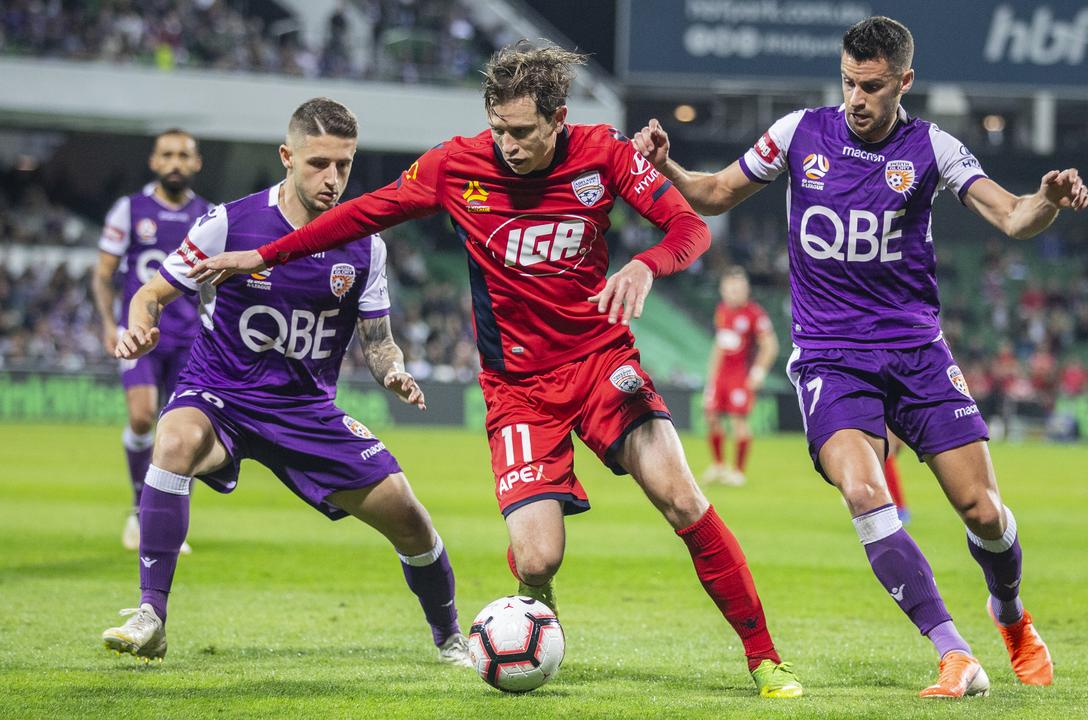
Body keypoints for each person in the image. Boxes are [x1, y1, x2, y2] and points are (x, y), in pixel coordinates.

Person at [187, 42, 803, 699]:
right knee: (537, 558)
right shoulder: (457, 165)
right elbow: (363, 213)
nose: (507, 143)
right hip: (517, 391)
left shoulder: (606, 153)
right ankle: (536, 602)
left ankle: (765, 660)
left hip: (600, 363)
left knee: (681, 496)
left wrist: (643, 264)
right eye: (498, 128)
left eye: (522, 131)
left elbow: (689, 229)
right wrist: (266, 256)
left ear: (558, 117)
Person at [631, 16, 1088, 698]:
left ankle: (1011, 614)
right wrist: (666, 164)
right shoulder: (798, 134)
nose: (856, 99)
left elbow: (1013, 217)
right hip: (829, 360)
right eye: (848, 82)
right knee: (866, 493)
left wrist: (1047, 201)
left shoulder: (933, 147)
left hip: (916, 353)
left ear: (903, 81)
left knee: (984, 513)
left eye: (872, 87)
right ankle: (954, 652)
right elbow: (715, 194)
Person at [100, 98, 468, 667]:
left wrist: (392, 369)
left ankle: (451, 640)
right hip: (220, 394)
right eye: (319, 163)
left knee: (410, 520)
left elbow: (378, 340)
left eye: (344, 165)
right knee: (170, 440)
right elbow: (151, 292)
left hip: (306, 411)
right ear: (286, 157)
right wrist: (136, 328)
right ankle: (151, 615)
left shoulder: (366, 243)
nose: (333, 178)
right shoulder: (230, 221)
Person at [91, 129, 209, 553]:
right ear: (154, 162)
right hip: (139, 335)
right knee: (143, 419)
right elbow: (104, 274)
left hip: (193, 341)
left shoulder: (210, 216)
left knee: (187, 433)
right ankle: (140, 511)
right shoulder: (130, 210)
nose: (175, 162)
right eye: (167, 155)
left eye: (183, 155)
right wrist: (109, 324)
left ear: (196, 164)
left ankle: (169, 525)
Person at [702, 266, 777, 486]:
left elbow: (770, 345)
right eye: (729, 288)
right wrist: (711, 378)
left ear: (746, 289)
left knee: (738, 422)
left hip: (740, 376)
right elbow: (719, 345)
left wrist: (758, 372)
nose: (734, 292)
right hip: (721, 376)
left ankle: (738, 471)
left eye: (738, 287)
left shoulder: (755, 314)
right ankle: (718, 465)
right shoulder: (722, 311)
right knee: (712, 418)